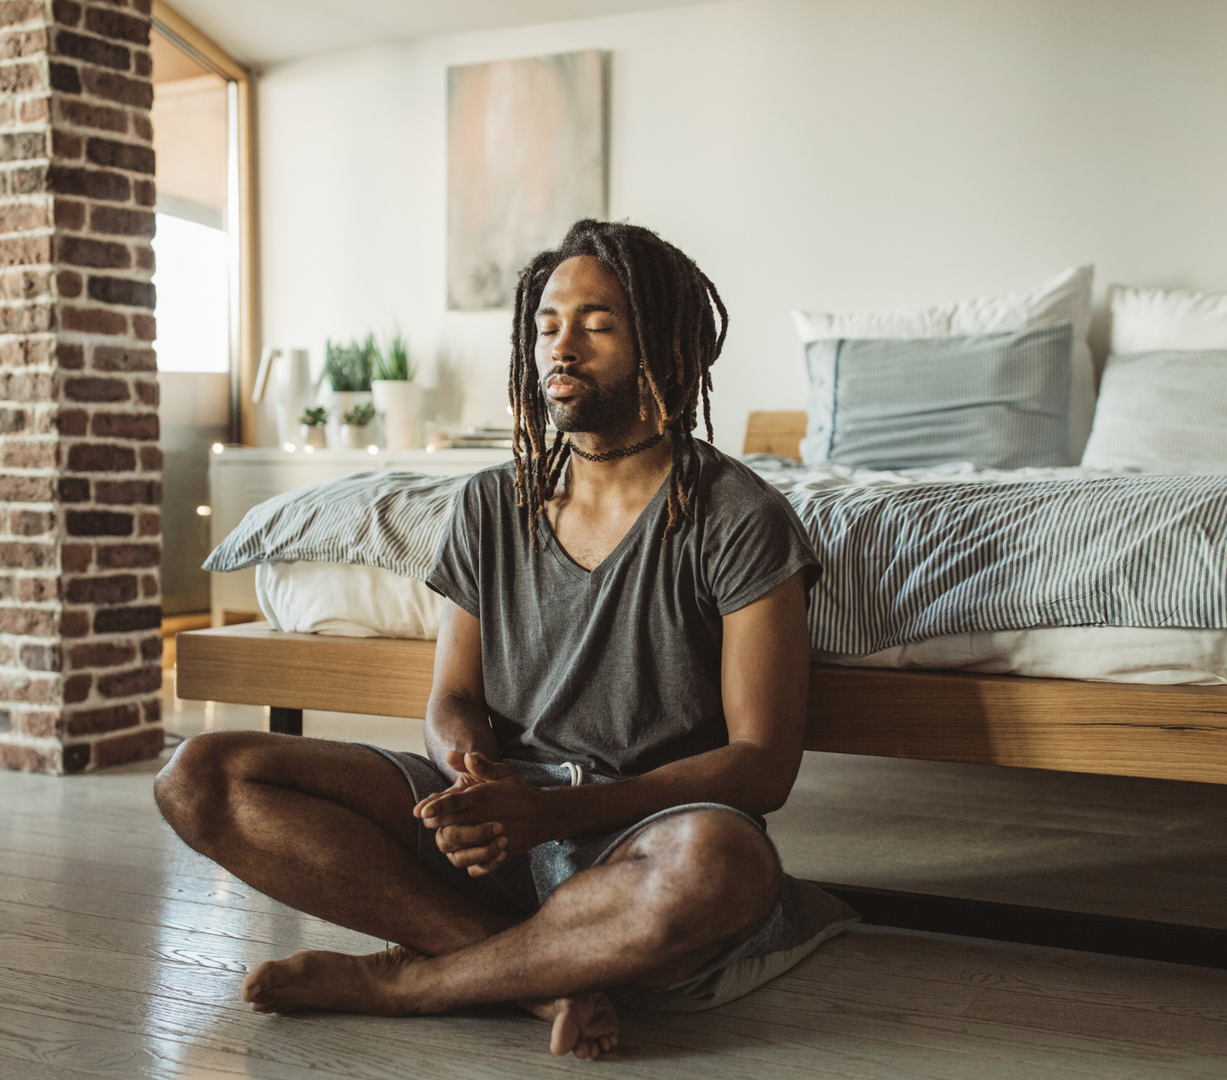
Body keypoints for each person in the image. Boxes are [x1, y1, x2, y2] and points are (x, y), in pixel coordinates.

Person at [154, 220, 854, 1060]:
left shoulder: (739, 517)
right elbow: (452, 697)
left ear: (664, 344)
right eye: (547, 323)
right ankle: (539, 974)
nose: (562, 346)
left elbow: (763, 765)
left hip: (647, 828)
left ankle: (415, 980)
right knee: (200, 777)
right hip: (505, 812)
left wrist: (553, 813)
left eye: (597, 324)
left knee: (723, 865)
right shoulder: (490, 505)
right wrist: (470, 786)